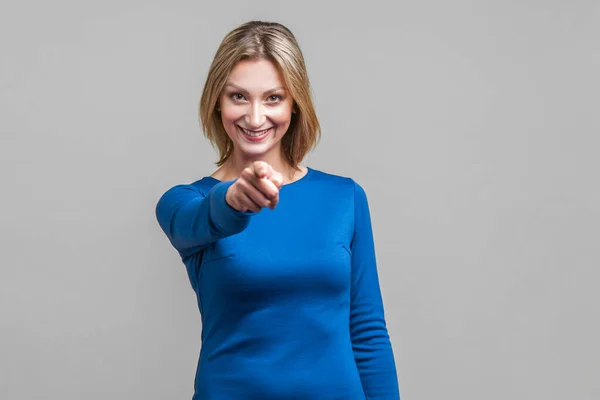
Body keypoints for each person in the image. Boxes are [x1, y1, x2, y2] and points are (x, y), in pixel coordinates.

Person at [155, 20, 400, 400]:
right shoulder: (186, 202)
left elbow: (367, 332)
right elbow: (198, 220)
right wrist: (233, 199)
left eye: (273, 98)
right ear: (216, 101)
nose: (255, 118)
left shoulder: (344, 198)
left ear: (295, 103)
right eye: (238, 97)